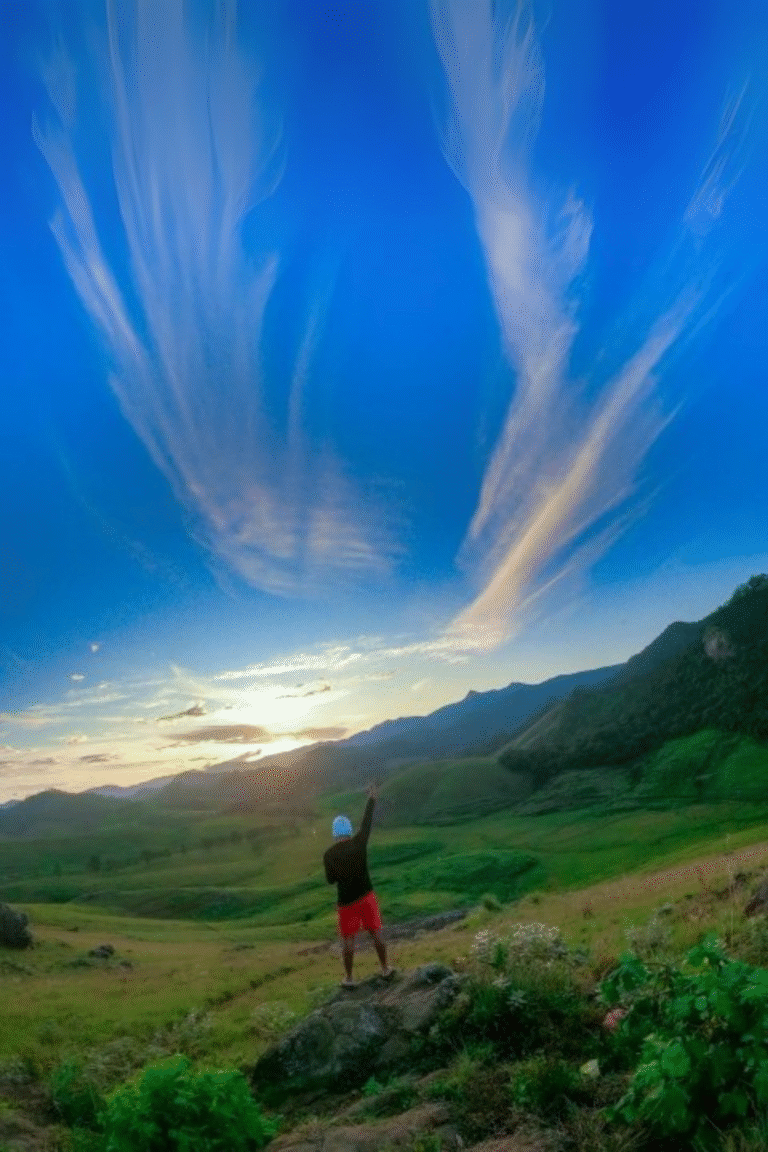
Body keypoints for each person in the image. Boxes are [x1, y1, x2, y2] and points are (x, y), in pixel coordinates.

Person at [323, 781, 395, 988]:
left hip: (346, 902)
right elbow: (367, 823)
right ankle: (385, 969)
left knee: (348, 941)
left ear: (335, 833)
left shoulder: (329, 855)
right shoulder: (359, 842)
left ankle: (349, 979)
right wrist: (371, 799)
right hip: (366, 895)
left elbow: (330, 880)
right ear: (349, 830)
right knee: (376, 933)